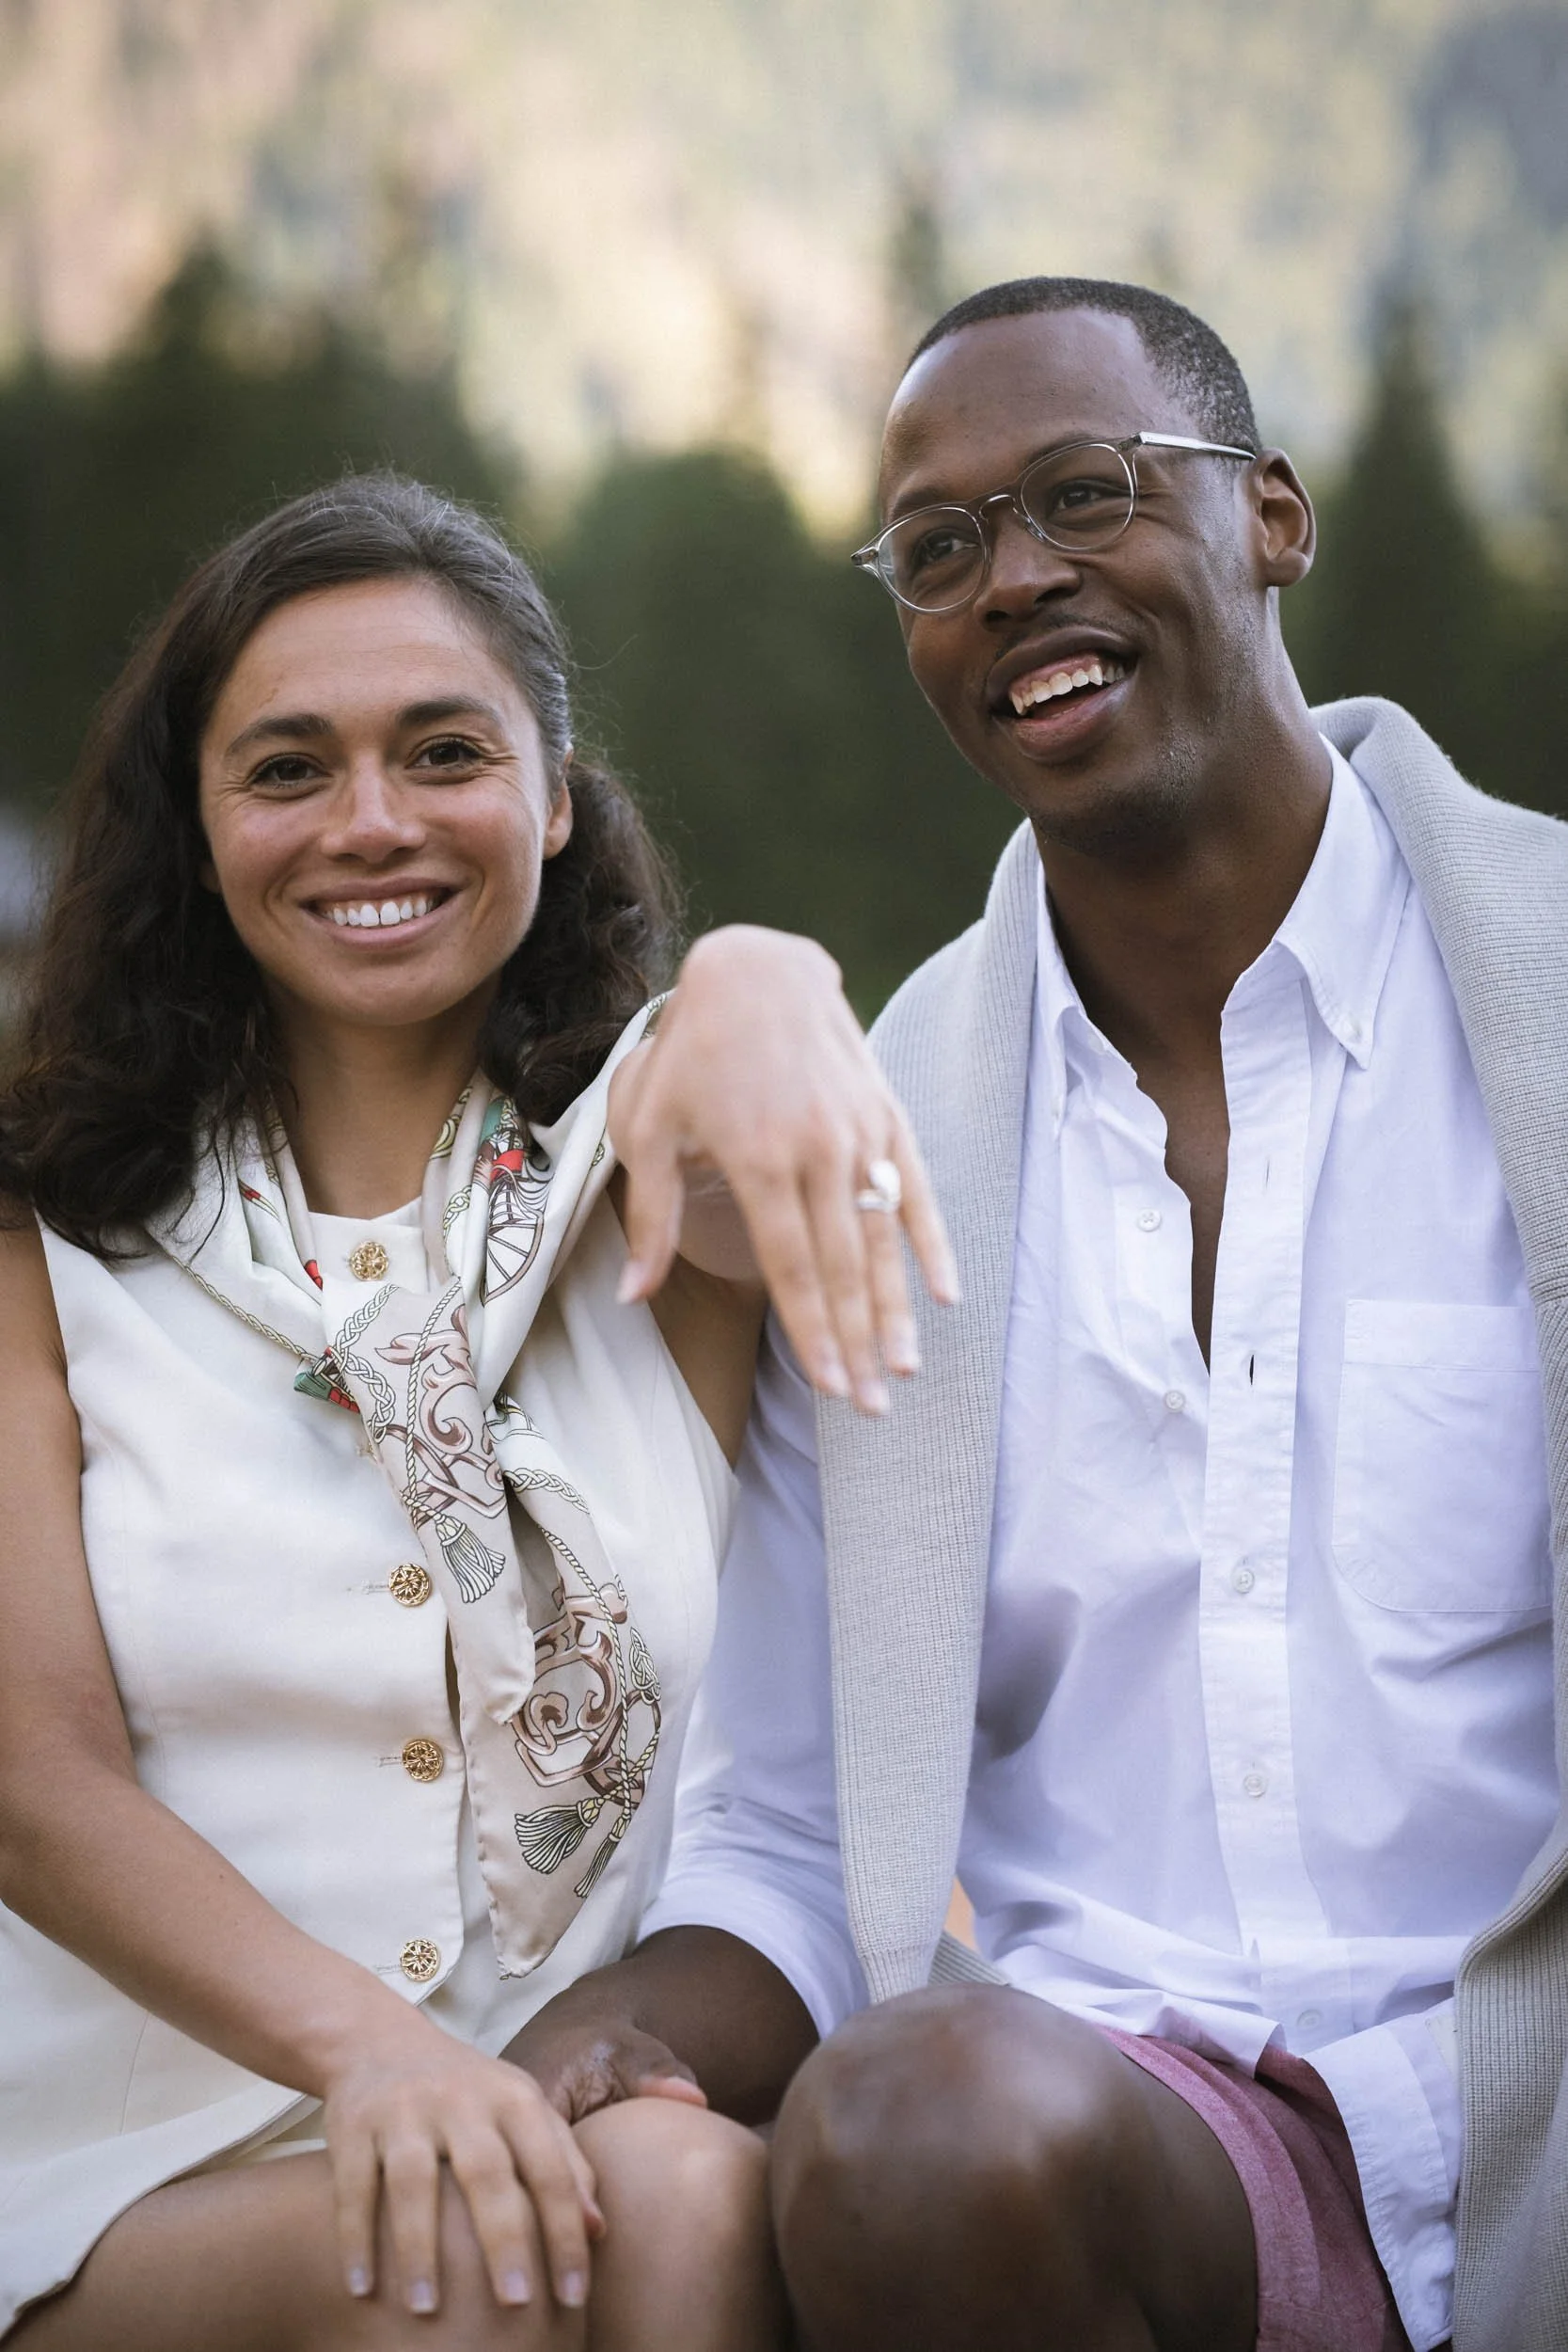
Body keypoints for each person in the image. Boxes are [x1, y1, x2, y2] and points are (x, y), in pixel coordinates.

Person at [510, 279, 1568, 2352]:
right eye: (935, 548)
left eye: (1085, 494)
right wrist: (591, 2034)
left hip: (1528, 2073)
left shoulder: (1538, 1001)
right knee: (909, 2128)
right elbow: (798, 1822)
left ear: (1268, 515)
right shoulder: (890, 1147)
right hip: (1136, 2131)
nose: (1012, 579)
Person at [0, 472, 957, 2351]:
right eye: (288, 768)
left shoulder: (650, 1199)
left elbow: (740, 1093)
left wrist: (764, 974)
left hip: (568, 2095)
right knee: (464, 2264)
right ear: (197, 828)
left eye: (443, 751)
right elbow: (32, 1782)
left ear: (554, 794)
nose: (372, 821)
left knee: (694, 2197)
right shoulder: (50, 1242)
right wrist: (380, 2058)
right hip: (131, 2157)